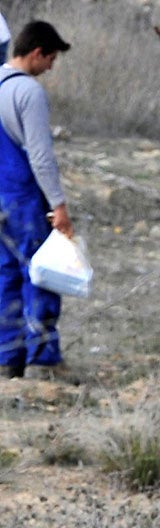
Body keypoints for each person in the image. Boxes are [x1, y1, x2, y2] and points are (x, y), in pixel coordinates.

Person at [0, 21, 74, 383]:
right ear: (36, 53)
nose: (51, 67)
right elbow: (41, 157)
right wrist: (59, 206)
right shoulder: (28, 92)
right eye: (51, 58)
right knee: (41, 272)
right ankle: (42, 361)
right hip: (23, 197)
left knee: (5, 276)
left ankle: (7, 359)